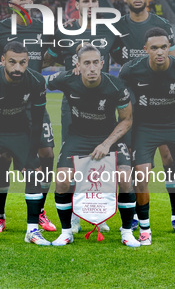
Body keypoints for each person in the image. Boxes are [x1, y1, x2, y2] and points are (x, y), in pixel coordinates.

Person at [42, 0, 124, 233]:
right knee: (75, 160)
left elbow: (123, 60)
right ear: (76, 5)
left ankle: (99, 212)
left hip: (104, 105)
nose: (90, 6)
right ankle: (76, 214)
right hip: (73, 106)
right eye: (85, 2)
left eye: (94, 2)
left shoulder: (110, 32)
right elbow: (46, 58)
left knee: (103, 160)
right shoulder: (64, 32)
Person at [119, 27, 175, 245]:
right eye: (154, 48)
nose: (159, 52)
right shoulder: (130, 71)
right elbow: (122, 107)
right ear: (145, 49)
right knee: (140, 175)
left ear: (169, 48)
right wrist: (127, 140)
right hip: (144, 126)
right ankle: (145, 229)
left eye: (163, 47)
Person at [0, 0, 57, 234]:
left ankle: (40, 211)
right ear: (9, 4)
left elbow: (53, 53)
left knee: (45, 154)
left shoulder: (43, 28)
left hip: (34, 101)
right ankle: (0, 216)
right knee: (4, 157)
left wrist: (35, 67)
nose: (22, 0)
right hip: (5, 104)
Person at [112, 0, 175, 234]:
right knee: (136, 164)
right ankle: (135, 216)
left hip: (162, 104)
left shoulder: (162, 25)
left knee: (169, 158)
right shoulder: (116, 27)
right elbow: (104, 56)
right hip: (131, 106)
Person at [46, 44, 139, 247]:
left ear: (102, 64)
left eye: (96, 63)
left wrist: (106, 144)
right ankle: (66, 232)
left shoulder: (116, 87)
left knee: (125, 177)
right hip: (78, 136)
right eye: (86, 63)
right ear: (77, 65)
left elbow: (126, 121)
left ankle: (126, 232)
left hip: (108, 137)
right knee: (62, 179)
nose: (91, 68)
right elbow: (42, 83)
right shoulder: (66, 79)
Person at [0, 41, 51, 248]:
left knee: (33, 172)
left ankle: (32, 230)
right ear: (3, 60)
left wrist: (31, 156)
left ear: (28, 61)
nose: (17, 68)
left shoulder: (36, 81)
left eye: (22, 62)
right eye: (12, 62)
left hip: (20, 132)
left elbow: (37, 120)